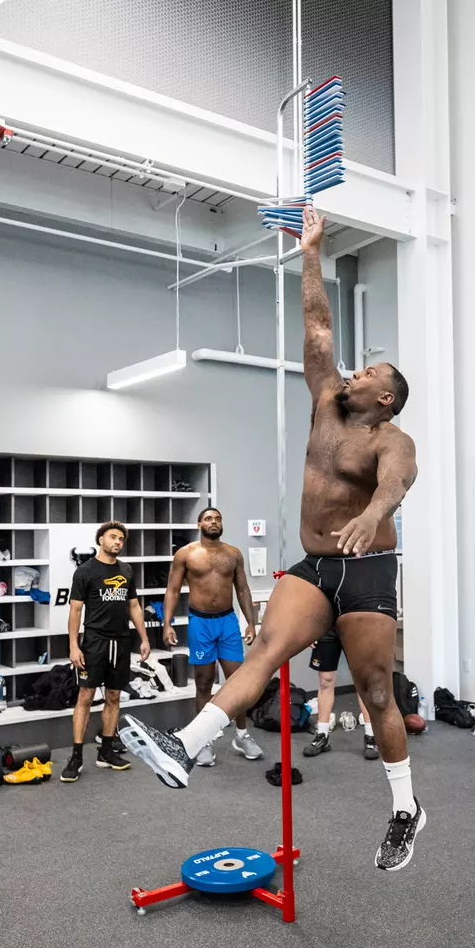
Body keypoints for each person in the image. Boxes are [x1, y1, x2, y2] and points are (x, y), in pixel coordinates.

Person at [121, 204, 423, 871]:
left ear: (386, 401)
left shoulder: (391, 439)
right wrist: (311, 251)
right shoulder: (325, 402)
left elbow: (400, 480)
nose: (356, 374)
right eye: (359, 369)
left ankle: (405, 808)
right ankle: (188, 748)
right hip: (316, 567)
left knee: (375, 694)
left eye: (370, 376)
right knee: (263, 654)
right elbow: (317, 326)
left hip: (368, 570)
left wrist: (374, 513)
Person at [163, 507, 262, 765]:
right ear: (199, 524)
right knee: (204, 682)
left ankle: (241, 735)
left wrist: (251, 623)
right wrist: (167, 624)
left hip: (228, 622)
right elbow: (172, 591)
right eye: (208, 518)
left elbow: (242, 588)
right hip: (200, 623)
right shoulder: (186, 554)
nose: (214, 522)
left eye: (218, 518)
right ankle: (203, 740)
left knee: (237, 681)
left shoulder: (233, 554)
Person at [61, 521, 150, 782]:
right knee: (85, 697)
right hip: (94, 642)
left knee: (114, 696)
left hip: (121, 642)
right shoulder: (85, 571)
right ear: (100, 539)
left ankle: (106, 751)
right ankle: (76, 757)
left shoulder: (127, 570)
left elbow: (133, 606)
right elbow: (75, 610)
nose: (117, 543)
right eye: (113, 537)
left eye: (121, 539)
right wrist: (73, 645)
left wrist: (143, 639)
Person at [305, 627, 380, 760]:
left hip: (355, 623)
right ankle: (322, 735)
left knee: (363, 680)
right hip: (327, 625)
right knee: (325, 680)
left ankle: (371, 736)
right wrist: (311, 628)